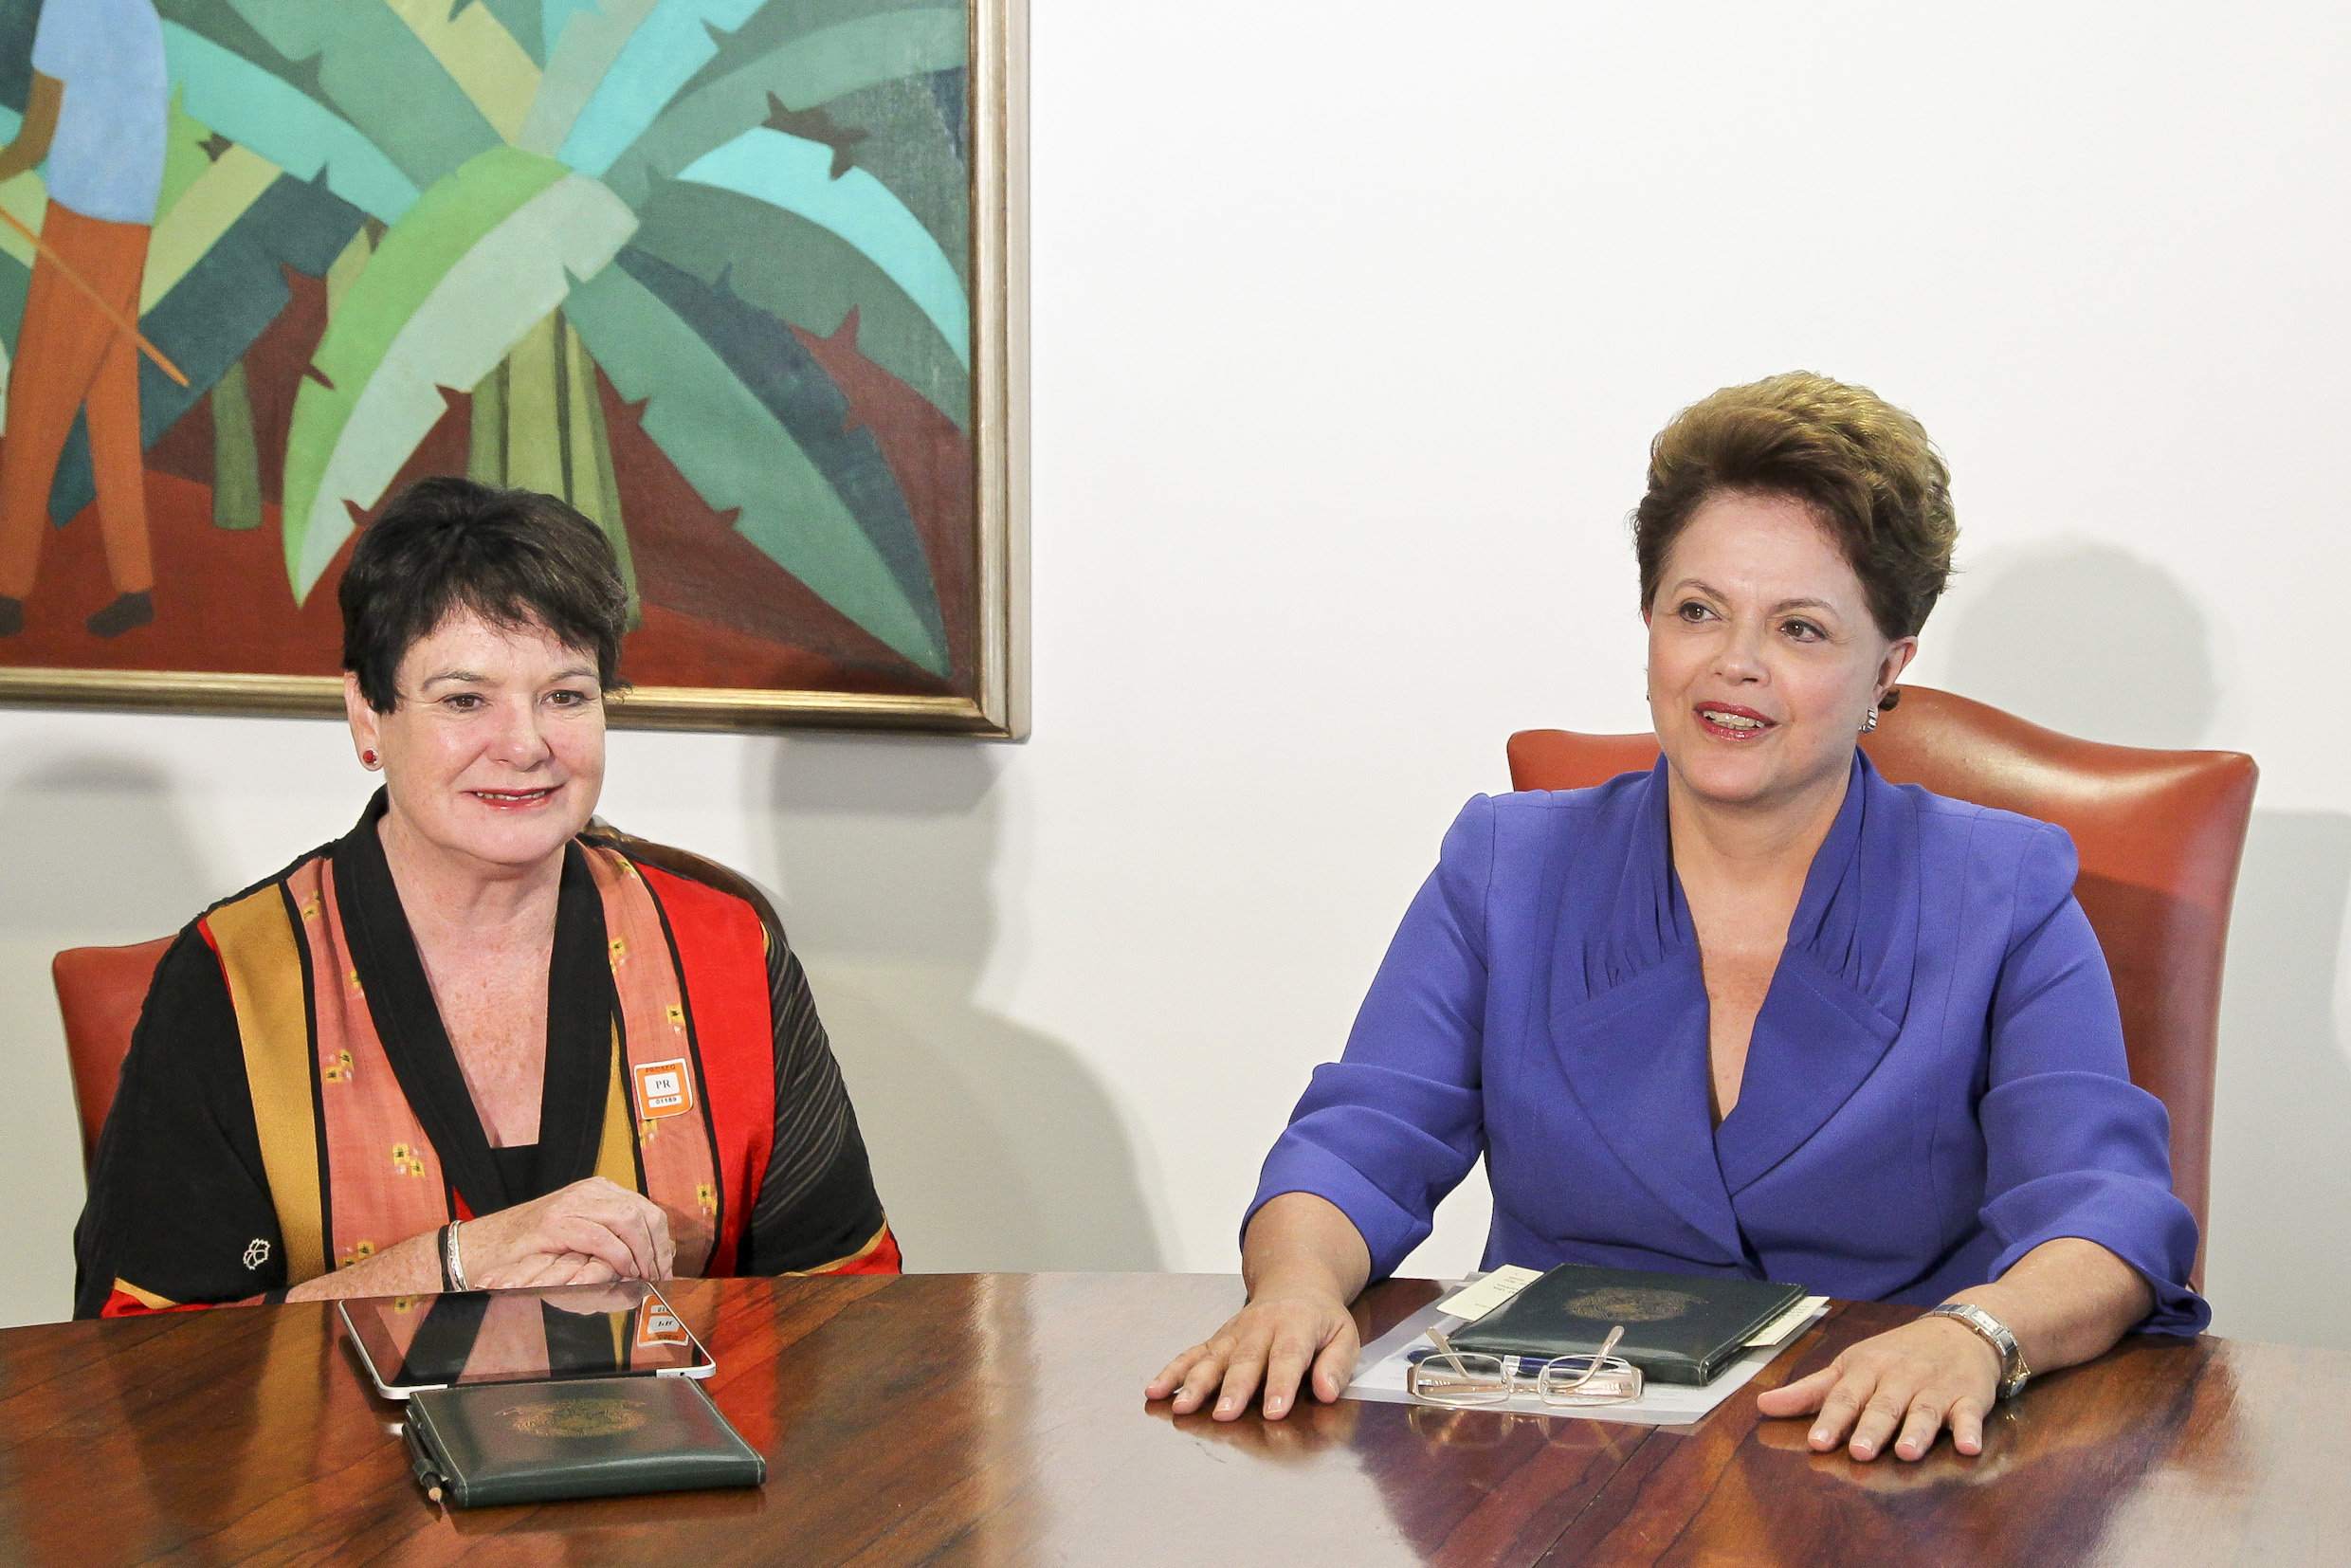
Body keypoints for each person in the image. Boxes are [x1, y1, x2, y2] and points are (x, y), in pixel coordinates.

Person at [1149, 373, 2205, 1464]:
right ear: (1649, 623)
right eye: (1696, 610)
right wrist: (1293, 1290)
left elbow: (2105, 1213)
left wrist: (1975, 1335)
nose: (1732, 664)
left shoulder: (2002, 890)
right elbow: (1355, 1148)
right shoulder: (1505, 863)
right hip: (1551, 1462)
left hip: (1873, 1457)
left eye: (1799, 628)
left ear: (1886, 670)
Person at [73, 477, 899, 1315]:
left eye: (565, 696)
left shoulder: (726, 950)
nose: (526, 745)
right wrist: (459, 1262)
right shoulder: (234, 978)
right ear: (368, 714)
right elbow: (138, 1357)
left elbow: (848, 1311)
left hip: (679, 1407)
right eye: (464, 700)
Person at [0, 0, 169, 640]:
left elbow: (36, 137)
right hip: (129, 227)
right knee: (110, 406)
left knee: (34, 403)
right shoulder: (137, 10)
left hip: (82, 225)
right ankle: (136, 585)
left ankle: (7, 591)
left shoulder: (71, 7)